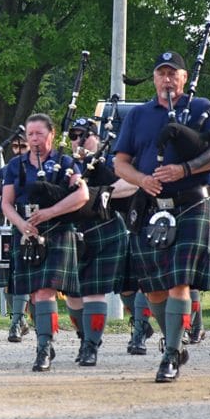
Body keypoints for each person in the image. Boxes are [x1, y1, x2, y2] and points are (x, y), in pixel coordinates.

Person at [114, 51, 210, 382]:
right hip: (152, 204)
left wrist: (186, 168)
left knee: (179, 281)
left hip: (191, 203)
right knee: (154, 287)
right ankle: (173, 340)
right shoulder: (139, 115)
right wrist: (143, 180)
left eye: (173, 73)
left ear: (183, 77)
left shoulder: (200, 108)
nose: (167, 79)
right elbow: (120, 163)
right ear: (154, 78)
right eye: (161, 73)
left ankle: (170, 354)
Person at [1, 114, 88, 372]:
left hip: (57, 228)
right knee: (36, 292)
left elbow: (82, 194)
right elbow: (6, 202)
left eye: (39, 134)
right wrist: (21, 224)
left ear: (51, 135)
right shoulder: (15, 166)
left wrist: (51, 212)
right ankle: (45, 345)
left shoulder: (66, 163)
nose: (34, 139)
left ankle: (59, 344)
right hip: (27, 230)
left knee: (46, 291)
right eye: (30, 135)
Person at [68, 117, 137, 365]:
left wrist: (104, 192)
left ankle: (91, 346)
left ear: (96, 137)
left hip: (106, 227)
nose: (78, 141)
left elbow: (133, 182)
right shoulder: (66, 165)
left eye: (83, 135)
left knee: (97, 291)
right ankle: (83, 336)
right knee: (73, 295)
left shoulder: (111, 161)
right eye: (73, 136)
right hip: (75, 232)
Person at [0, 134, 30, 342]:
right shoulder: (3, 172)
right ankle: (18, 318)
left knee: (22, 276)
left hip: (27, 228)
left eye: (22, 146)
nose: (18, 150)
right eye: (15, 146)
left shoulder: (34, 170)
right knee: (4, 279)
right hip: (4, 228)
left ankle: (17, 320)